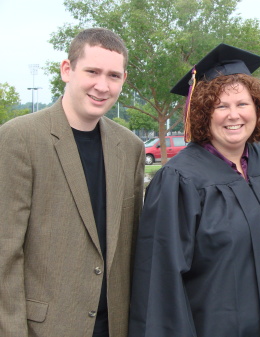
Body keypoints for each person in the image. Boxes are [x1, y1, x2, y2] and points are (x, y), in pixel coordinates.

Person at [128, 43, 260, 337]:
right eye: (221, 106)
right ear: (203, 112)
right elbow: (160, 285)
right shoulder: (179, 181)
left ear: (257, 108)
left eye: (243, 104)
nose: (234, 115)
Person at [0, 28, 145, 337]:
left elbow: (131, 247)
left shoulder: (130, 147)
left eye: (114, 76)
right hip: (45, 328)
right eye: (92, 71)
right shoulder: (19, 139)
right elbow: (5, 252)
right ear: (67, 70)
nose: (102, 86)